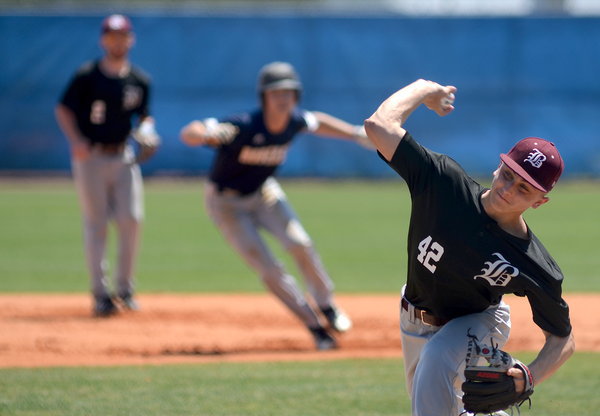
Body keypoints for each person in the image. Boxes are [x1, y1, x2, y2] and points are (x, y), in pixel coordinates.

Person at [363, 79, 575, 416]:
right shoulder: (444, 184)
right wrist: (424, 88)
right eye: (508, 175)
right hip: (413, 322)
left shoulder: (531, 261)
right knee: (450, 407)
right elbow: (378, 126)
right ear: (498, 166)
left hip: (478, 323)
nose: (509, 189)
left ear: (539, 201)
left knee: (437, 362)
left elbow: (563, 339)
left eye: (524, 188)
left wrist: (529, 376)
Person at [180, 61, 374, 350]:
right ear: (264, 97)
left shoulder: (293, 121)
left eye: (288, 92)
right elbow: (189, 132)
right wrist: (208, 134)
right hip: (226, 203)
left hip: (264, 193)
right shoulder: (243, 125)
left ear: (296, 96)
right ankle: (315, 327)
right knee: (269, 269)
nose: (283, 98)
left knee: (300, 243)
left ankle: (326, 304)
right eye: (275, 93)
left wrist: (354, 133)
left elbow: (317, 121)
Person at [55, 14, 159, 317]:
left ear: (131, 40)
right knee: (96, 223)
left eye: (122, 35)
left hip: (124, 155)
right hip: (91, 157)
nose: (117, 41)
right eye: (112, 36)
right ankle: (100, 294)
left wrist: (148, 131)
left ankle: (125, 290)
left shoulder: (139, 80)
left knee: (132, 219)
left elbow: (144, 115)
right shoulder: (87, 76)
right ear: (103, 40)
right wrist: (76, 140)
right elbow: (63, 109)